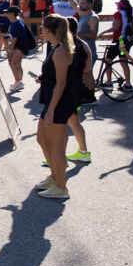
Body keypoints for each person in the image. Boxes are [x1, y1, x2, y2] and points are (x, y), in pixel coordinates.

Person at [35, 16, 79, 200]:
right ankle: (54, 178)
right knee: (42, 139)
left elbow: (61, 83)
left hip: (58, 103)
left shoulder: (61, 51)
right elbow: (55, 78)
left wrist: (52, 108)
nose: (41, 30)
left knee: (56, 146)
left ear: (50, 30)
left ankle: (61, 186)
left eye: (43, 27)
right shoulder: (56, 49)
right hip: (51, 101)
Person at [100, 0, 133, 89]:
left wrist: (103, 32)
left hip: (118, 41)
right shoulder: (129, 15)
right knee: (124, 61)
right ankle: (128, 83)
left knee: (108, 60)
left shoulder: (118, 14)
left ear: (120, 6)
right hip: (125, 42)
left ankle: (109, 82)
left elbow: (116, 27)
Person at [7, 6, 34, 93]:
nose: (6, 14)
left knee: (12, 63)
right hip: (23, 44)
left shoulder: (15, 23)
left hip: (21, 46)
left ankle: (18, 82)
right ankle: (19, 82)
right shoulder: (18, 19)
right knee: (18, 64)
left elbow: (14, 40)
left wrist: (10, 51)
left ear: (12, 14)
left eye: (8, 12)